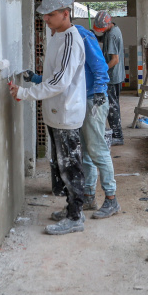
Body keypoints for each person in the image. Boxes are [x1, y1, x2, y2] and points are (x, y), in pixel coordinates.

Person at [10, 0, 87, 235]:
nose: (45, 18)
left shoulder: (71, 41)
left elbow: (59, 82)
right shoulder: (57, 36)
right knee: (62, 165)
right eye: (44, 14)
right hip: (56, 114)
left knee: (70, 167)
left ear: (66, 13)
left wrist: (25, 93)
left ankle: (76, 217)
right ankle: (70, 209)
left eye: (50, 14)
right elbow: (52, 77)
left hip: (66, 115)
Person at [25, 21, 120, 219]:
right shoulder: (63, 38)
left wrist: (100, 91)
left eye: (52, 21)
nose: (50, 29)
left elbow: (100, 65)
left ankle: (112, 200)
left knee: (97, 150)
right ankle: (88, 197)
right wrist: (36, 79)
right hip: (81, 100)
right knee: (85, 152)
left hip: (93, 99)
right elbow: (60, 77)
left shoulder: (81, 36)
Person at [93, 11, 125, 146]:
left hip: (112, 77)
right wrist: (95, 36)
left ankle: (118, 136)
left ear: (107, 24)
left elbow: (115, 60)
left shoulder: (112, 35)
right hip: (117, 75)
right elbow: (104, 38)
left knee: (112, 106)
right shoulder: (112, 29)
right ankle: (116, 133)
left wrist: (102, 71)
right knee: (114, 104)